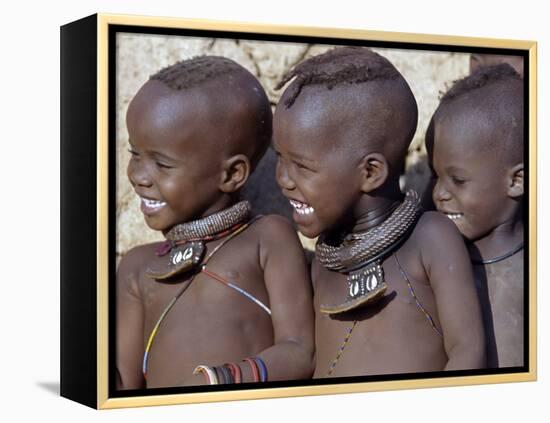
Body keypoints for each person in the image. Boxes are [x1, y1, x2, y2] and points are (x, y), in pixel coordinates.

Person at [273, 47, 485, 377]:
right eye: (279, 158)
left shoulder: (430, 238)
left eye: (301, 166)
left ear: (371, 172)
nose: (283, 179)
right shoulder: (327, 260)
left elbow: (468, 351)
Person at [116, 56, 315, 389]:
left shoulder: (267, 238)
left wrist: (224, 380)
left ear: (232, 174)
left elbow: (299, 351)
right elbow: (123, 383)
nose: (138, 176)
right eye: (134, 153)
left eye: (162, 165)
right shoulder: (137, 267)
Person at [427, 64, 524, 368]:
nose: (439, 194)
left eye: (458, 180)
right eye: (435, 176)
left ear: (516, 181)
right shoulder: (432, 257)